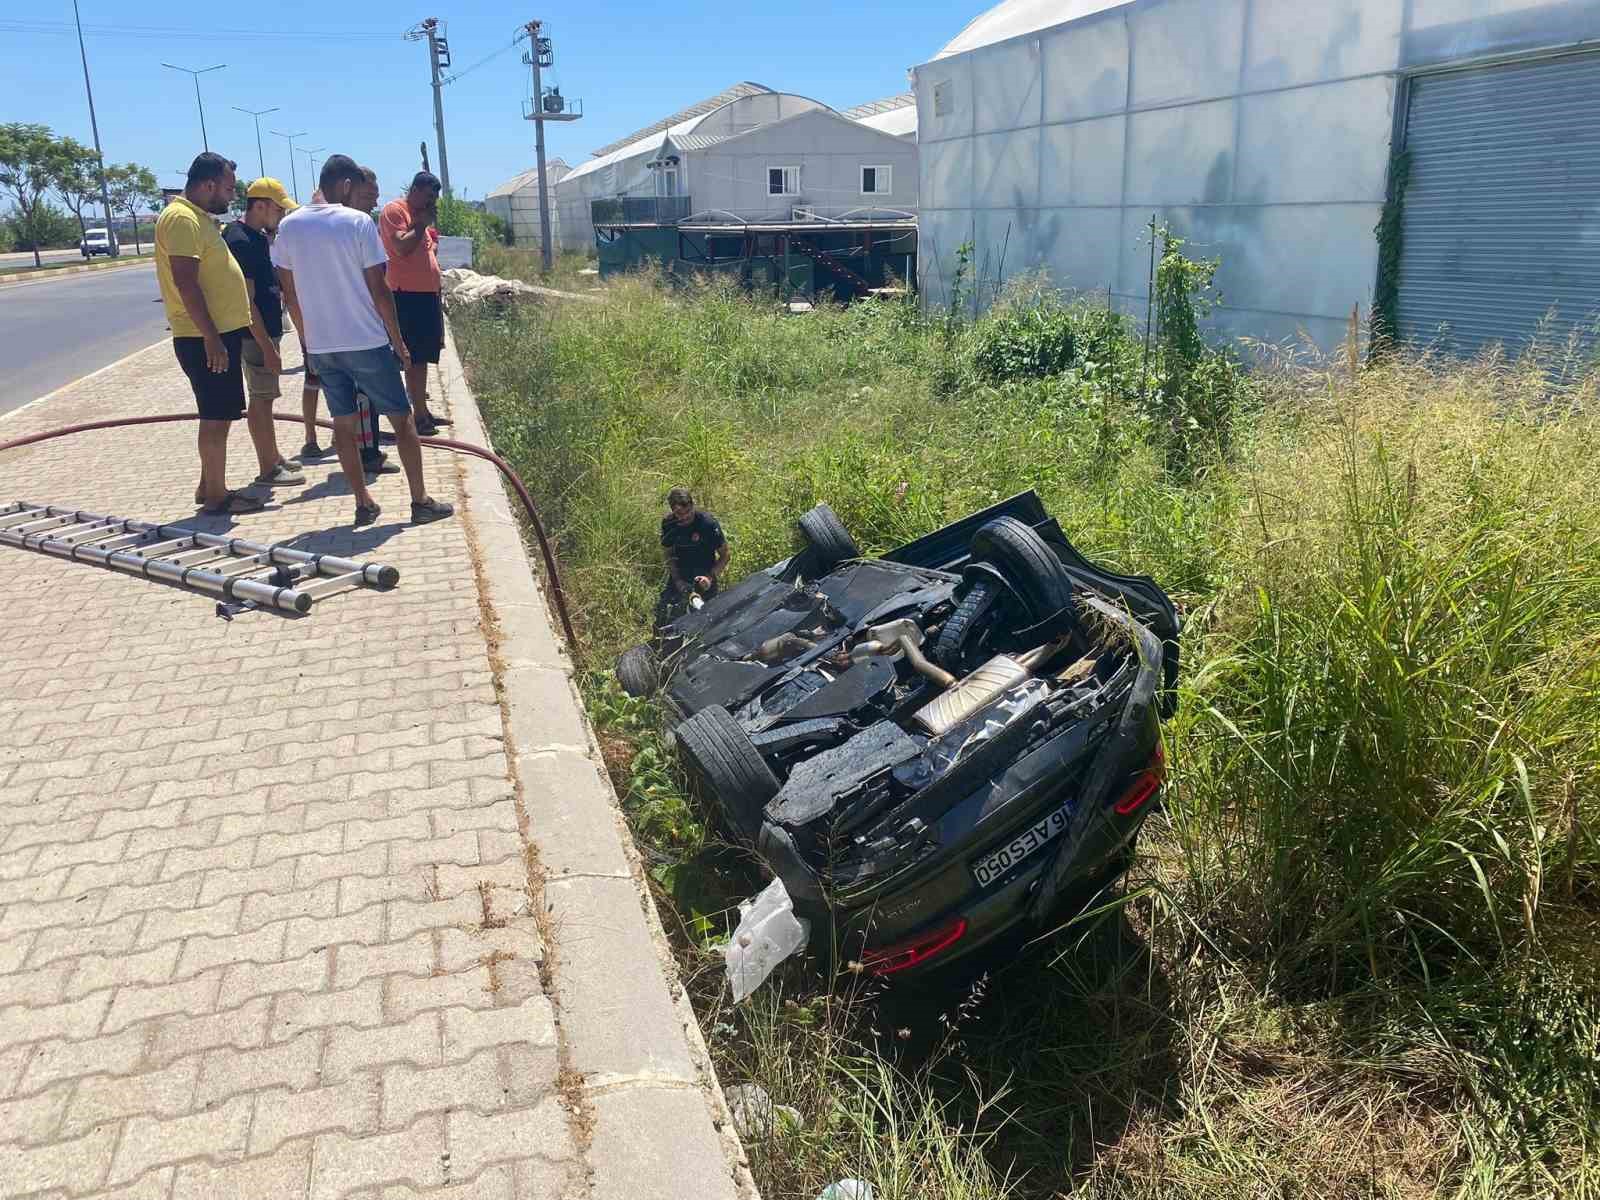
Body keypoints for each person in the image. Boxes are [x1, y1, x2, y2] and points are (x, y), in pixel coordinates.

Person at [271, 154, 453, 528]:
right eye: (364, 190)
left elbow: (288, 295)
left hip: (323, 347)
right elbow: (380, 289)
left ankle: (363, 503)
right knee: (402, 421)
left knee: (343, 425)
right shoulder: (357, 223)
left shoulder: (288, 227)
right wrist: (398, 342)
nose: (368, 199)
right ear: (347, 185)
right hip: (365, 341)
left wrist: (308, 341)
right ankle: (419, 501)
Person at [155, 152, 272, 515]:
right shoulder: (181, 220)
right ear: (208, 185)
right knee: (216, 416)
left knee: (219, 413)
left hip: (216, 334)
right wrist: (211, 337)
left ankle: (209, 485)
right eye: (227, 188)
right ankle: (217, 497)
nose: (230, 195)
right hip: (202, 337)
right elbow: (186, 283)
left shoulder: (199, 219)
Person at [220, 177, 304, 497]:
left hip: (265, 332)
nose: (281, 216)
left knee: (266, 399)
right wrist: (268, 347)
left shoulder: (256, 237)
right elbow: (247, 299)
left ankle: (274, 456)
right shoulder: (240, 240)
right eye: (278, 209)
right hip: (255, 337)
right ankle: (267, 468)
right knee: (261, 399)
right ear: (260, 206)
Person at [379, 171, 449, 436]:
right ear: (416, 190)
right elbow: (400, 248)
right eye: (429, 196)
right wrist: (421, 224)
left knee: (424, 358)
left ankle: (423, 410)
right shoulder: (395, 212)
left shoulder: (421, 218)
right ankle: (417, 418)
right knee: (414, 358)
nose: (432, 202)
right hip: (406, 296)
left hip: (426, 296)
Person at [656, 487, 729, 627]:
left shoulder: (708, 524)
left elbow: (725, 556)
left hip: (705, 574)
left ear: (692, 506)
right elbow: (668, 554)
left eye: (688, 511)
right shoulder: (669, 524)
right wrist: (677, 580)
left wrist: (709, 577)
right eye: (679, 513)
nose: (685, 517)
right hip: (681, 573)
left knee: (709, 620)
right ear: (672, 511)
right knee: (665, 620)